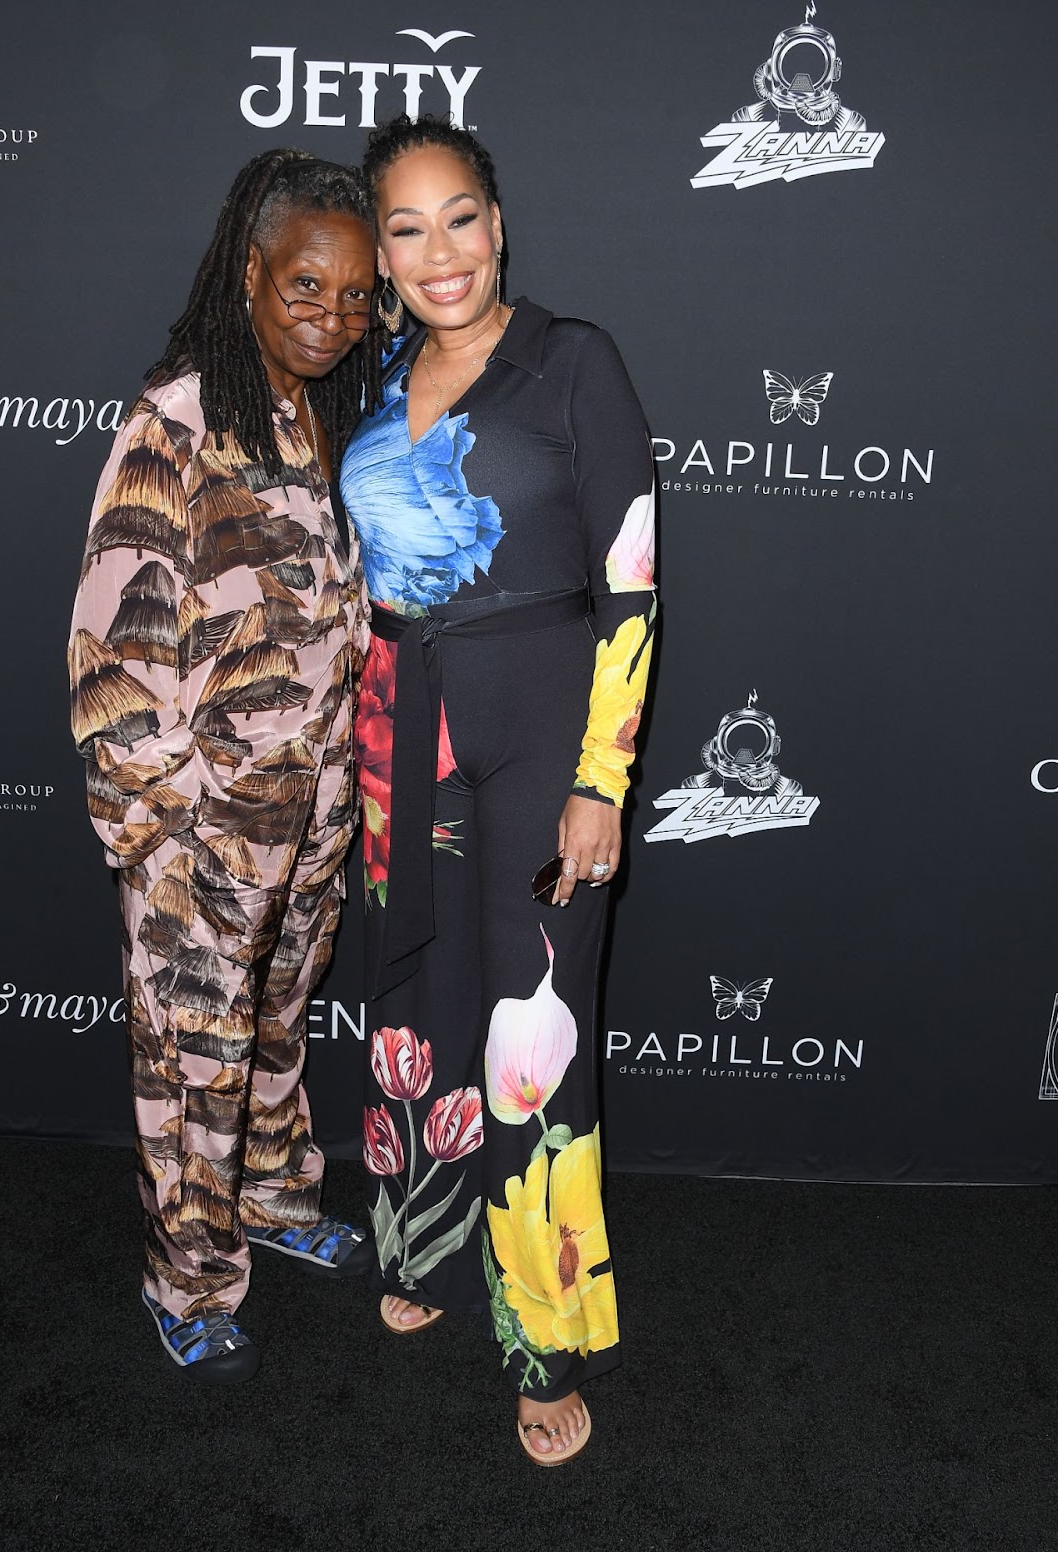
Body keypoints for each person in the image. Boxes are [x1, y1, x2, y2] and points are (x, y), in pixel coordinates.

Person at [341, 117, 657, 1461]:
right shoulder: (376, 373)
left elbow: (631, 580)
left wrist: (602, 781)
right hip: (399, 732)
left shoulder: (570, 359)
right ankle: (415, 1242)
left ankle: (541, 1336)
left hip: (542, 738)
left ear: (499, 220)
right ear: (382, 255)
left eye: (457, 216)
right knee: (414, 993)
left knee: (530, 1046)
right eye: (405, 230)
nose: (438, 252)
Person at [68, 151, 383, 1383]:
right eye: (308, 284)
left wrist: (327, 800)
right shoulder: (177, 419)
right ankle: (186, 1279)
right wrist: (164, 832)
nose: (334, 315)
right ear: (251, 272)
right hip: (199, 822)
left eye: (358, 296)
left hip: (309, 811)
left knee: (273, 1023)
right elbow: (111, 653)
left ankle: (271, 1192)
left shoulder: (324, 407)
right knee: (193, 1048)